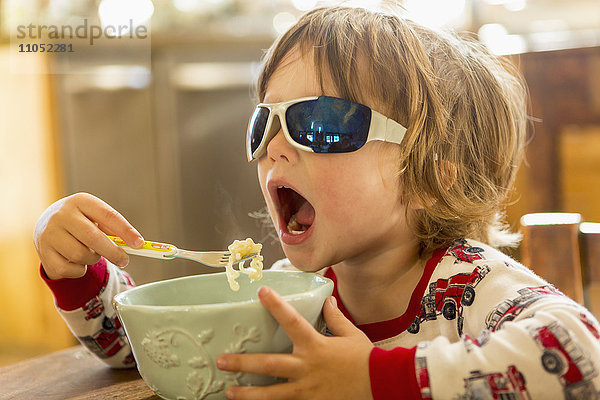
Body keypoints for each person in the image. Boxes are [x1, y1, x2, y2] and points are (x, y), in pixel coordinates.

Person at [34, 5, 600, 400]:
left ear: (432, 176)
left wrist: (372, 379)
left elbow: (581, 357)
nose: (273, 147)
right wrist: (80, 272)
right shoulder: (291, 293)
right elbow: (150, 351)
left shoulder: (467, 285)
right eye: (265, 123)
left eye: (322, 124)